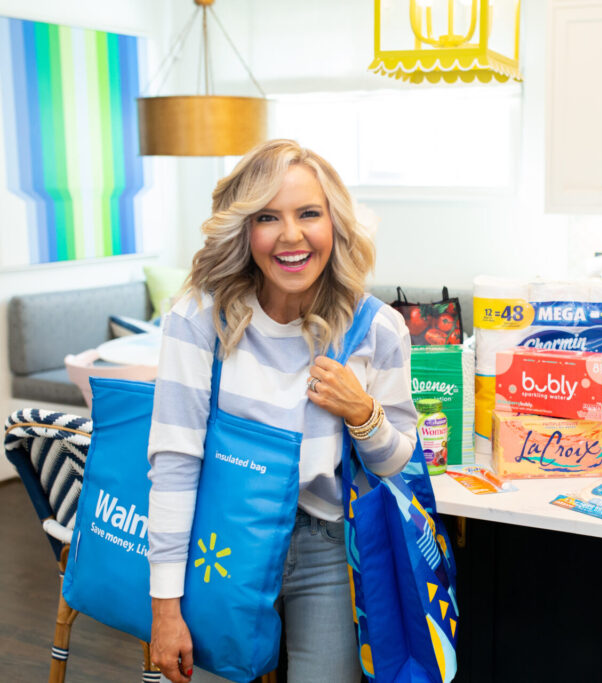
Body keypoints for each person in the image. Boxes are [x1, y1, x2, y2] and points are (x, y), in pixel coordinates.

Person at [146, 139, 417, 682]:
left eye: (308, 214)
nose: (291, 235)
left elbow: (395, 462)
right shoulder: (201, 318)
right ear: (245, 230)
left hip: (324, 545)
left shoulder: (376, 329)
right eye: (268, 217)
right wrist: (165, 608)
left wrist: (363, 413)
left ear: (334, 224)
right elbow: (176, 462)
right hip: (219, 538)